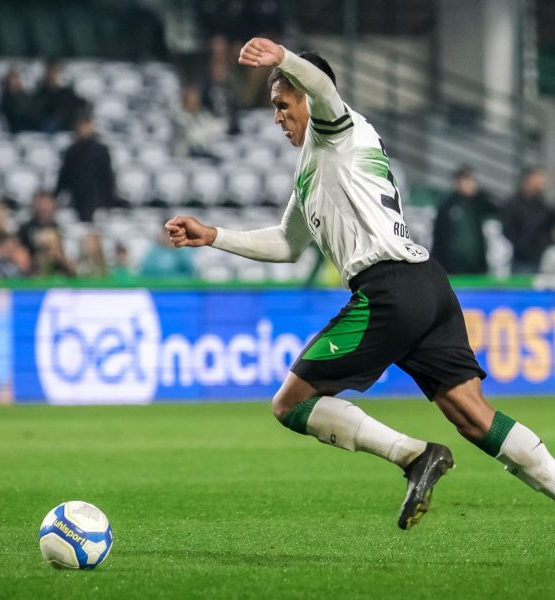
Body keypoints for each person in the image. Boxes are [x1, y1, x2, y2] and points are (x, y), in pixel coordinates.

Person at [165, 37, 555, 530]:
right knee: (475, 417)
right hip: (426, 284)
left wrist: (284, 58)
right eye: (273, 108)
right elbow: (286, 245)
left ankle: (413, 456)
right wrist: (213, 235)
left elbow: (324, 86)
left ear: (307, 97)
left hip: (389, 289)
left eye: (283, 105)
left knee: (290, 402)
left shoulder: (337, 127)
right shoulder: (312, 167)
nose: (277, 117)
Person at [431, 167, 497, 275]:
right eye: (467, 180)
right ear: (457, 182)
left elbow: (498, 208)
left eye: (473, 180)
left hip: (476, 264)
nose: (471, 184)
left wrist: (482, 194)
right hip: (452, 265)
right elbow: (439, 236)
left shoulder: (479, 203)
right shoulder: (447, 205)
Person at [55, 111, 116, 223]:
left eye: (86, 125)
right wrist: (56, 196)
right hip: (76, 197)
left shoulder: (101, 150)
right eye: (81, 125)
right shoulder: (71, 150)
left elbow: (107, 177)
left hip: (96, 196)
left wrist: (108, 203)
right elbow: (64, 176)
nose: (84, 129)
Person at [502, 167, 555, 274]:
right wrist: (524, 248)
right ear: (529, 179)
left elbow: (549, 228)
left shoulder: (543, 205)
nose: (542, 182)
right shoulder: (513, 203)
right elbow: (508, 231)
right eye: (539, 178)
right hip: (522, 262)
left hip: (542, 260)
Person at [34, 60, 88, 133]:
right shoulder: (40, 93)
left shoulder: (66, 93)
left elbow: (80, 104)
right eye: (49, 72)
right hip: (45, 125)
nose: (52, 75)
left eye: (54, 72)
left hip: (65, 125)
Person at [17, 190, 60, 261]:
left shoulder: (60, 230)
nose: (42, 207)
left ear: (54, 206)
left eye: (46, 205)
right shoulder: (24, 230)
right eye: (40, 203)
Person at [0, 68, 38, 133]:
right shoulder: (6, 97)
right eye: (12, 80)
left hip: (29, 123)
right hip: (16, 125)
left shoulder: (24, 95)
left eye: (16, 79)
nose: (15, 82)